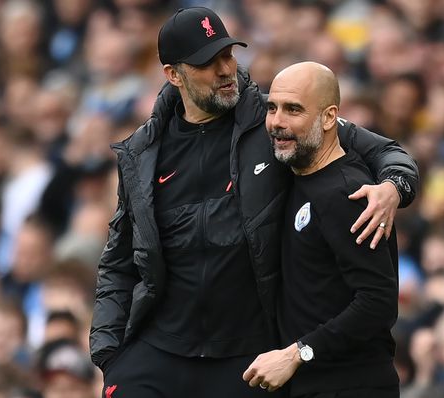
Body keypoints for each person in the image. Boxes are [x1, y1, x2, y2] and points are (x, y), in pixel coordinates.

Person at [90, 7, 419, 398]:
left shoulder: (277, 118)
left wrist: (394, 187)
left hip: (247, 355)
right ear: (173, 75)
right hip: (162, 348)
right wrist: (109, 354)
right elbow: (118, 259)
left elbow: (385, 151)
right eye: (208, 63)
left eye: (228, 54)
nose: (226, 69)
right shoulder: (143, 152)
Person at [241, 62, 400, 397]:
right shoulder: (293, 176)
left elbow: (377, 302)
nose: (277, 122)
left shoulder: (349, 194)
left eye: (293, 110)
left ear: (330, 117)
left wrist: (299, 353)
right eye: (272, 108)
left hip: (352, 385)